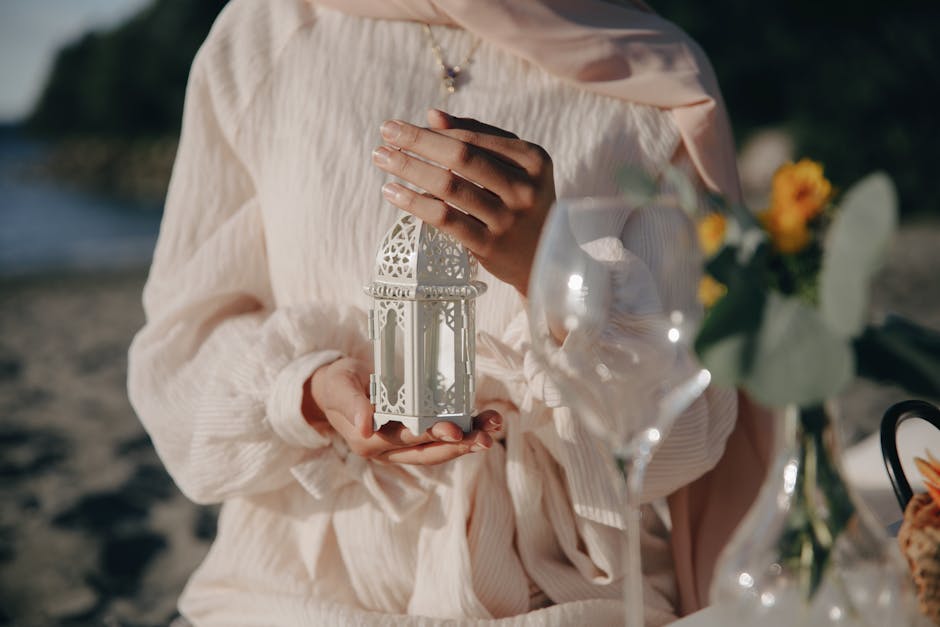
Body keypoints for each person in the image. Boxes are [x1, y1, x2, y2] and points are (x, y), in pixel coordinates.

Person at [128, 0, 765, 624]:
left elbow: (689, 433)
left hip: (568, 595)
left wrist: (552, 267)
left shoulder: (652, 72)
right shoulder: (270, 31)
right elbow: (182, 351)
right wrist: (311, 390)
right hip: (294, 589)